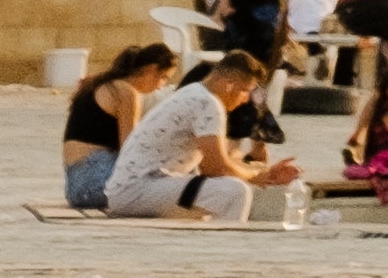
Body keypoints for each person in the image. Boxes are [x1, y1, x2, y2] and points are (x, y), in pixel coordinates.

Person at [110, 46, 295, 221]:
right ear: (229, 84)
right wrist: (259, 177)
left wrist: (262, 172)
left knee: (214, 193)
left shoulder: (195, 92)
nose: (245, 99)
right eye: (244, 91)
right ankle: (224, 252)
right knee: (234, 192)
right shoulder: (208, 103)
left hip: (138, 188)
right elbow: (216, 169)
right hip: (137, 190)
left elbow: (221, 162)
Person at [61, 39, 181, 210]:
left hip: (77, 187)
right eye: (163, 78)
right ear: (152, 69)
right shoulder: (126, 92)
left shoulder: (102, 85)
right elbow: (131, 149)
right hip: (94, 182)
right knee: (172, 180)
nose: (161, 86)